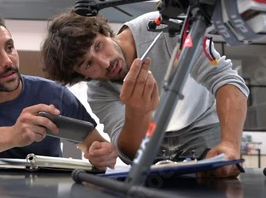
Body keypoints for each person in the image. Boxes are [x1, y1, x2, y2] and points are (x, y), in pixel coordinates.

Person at [41, 10, 249, 178]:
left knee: (222, 180)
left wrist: (230, 143)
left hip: (203, 126)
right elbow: (130, 153)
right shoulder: (98, 92)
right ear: (82, 76)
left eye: (98, 46)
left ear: (104, 31)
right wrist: (137, 113)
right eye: (87, 64)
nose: (105, 63)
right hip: (154, 147)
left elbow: (226, 80)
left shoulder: (163, 28)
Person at [0, 11, 117, 170]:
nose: (8, 61)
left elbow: (94, 145)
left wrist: (102, 156)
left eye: (9, 48)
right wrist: (12, 135)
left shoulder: (53, 94)